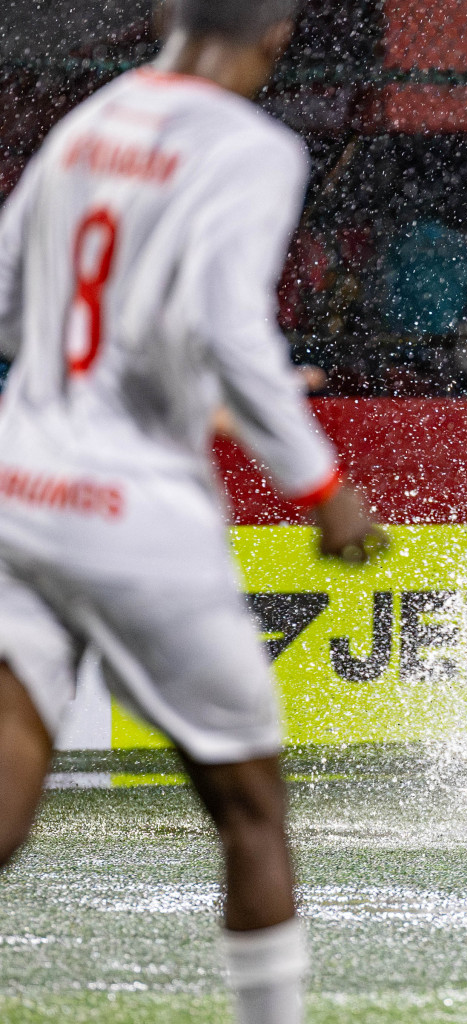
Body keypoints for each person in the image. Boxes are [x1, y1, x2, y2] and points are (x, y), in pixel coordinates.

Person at [0, 3, 384, 1023]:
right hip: (132, 512)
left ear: (169, 14)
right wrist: (322, 487)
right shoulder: (250, 147)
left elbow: (13, 295)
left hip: (17, 491)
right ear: (277, 38)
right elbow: (231, 324)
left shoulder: (88, 123)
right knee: (252, 809)